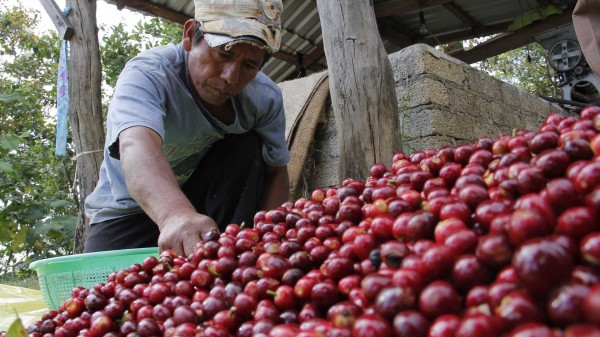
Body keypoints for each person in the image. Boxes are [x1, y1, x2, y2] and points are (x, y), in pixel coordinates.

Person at [83, 0, 290, 258]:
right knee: (104, 293)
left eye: (250, 65)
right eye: (224, 53)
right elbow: (135, 143)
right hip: (128, 210)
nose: (231, 77)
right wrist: (175, 215)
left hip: (204, 210)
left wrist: (267, 240)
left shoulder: (264, 98)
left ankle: (232, 256)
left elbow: (275, 172)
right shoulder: (149, 74)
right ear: (190, 35)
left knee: (247, 145)